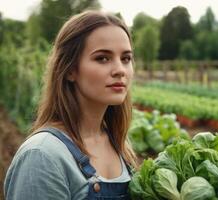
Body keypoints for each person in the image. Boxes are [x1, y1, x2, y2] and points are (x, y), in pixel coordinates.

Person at [4, 10, 138, 200]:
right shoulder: (43, 156)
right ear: (70, 70)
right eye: (102, 58)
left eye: (126, 58)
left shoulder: (119, 144)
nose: (120, 70)